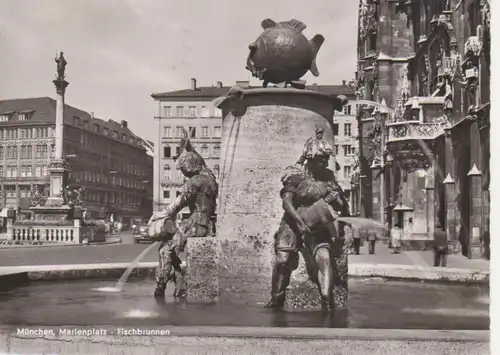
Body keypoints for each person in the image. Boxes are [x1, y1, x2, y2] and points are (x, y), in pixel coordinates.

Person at [265, 128, 350, 311]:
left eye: (326, 159)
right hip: (292, 221)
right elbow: (287, 203)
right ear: (310, 159)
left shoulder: (327, 177)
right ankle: (276, 298)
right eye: (321, 159)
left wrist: (339, 200)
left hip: (317, 222)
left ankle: (327, 302)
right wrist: (300, 223)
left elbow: (342, 205)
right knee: (283, 259)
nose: (325, 163)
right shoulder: (295, 174)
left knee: (325, 259)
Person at [148, 129, 218, 299]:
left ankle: (162, 286)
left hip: (195, 224)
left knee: (165, 249)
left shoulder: (193, 183)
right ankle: (180, 283)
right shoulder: (210, 178)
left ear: (189, 167)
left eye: (183, 169)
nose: (182, 173)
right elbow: (201, 162)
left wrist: (159, 215)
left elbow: (177, 205)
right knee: (172, 249)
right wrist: (190, 148)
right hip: (208, 224)